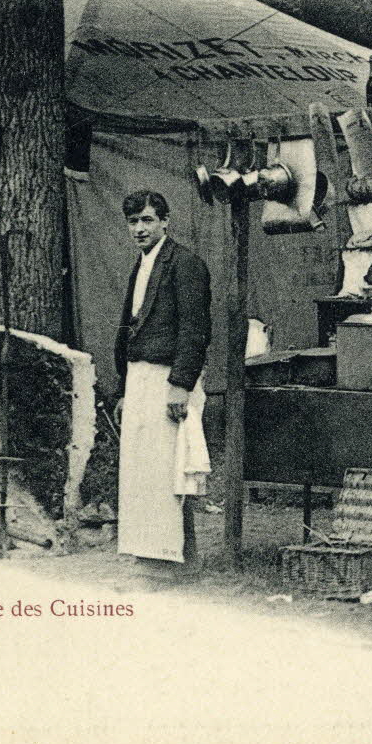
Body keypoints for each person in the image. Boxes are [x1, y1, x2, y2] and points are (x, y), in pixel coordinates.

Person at [112, 190, 212, 580]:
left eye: (148, 220)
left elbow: (195, 329)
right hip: (139, 379)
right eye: (133, 222)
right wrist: (124, 389)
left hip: (168, 377)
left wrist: (180, 385)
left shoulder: (184, 264)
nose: (140, 229)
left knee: (171, 470)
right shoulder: (141, 265)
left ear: (166, 221)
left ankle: (175, 558)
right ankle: (151, 553)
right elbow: (130, 329)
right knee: (142, 471)